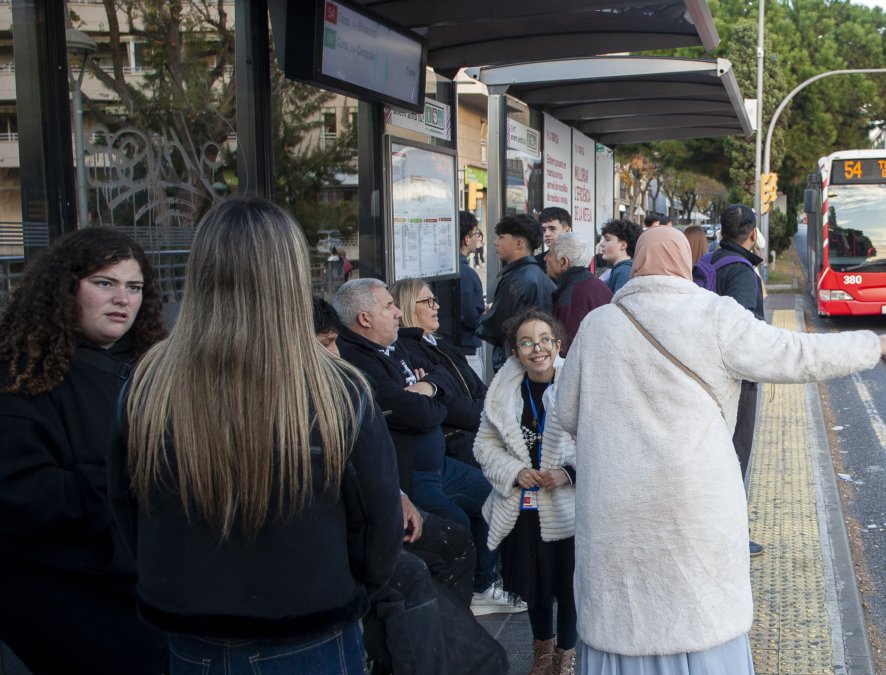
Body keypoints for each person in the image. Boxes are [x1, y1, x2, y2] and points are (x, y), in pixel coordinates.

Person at [557, 227, 886, 673]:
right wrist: (871, 345)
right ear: (684, 263)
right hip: (695, 506)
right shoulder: (715, 316)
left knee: (623, 617)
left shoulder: (598, 325)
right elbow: (796, 353)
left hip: (616, 512)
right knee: (699, 612)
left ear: (637, 263)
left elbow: (566, 413)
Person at [110, 196, 403, 673]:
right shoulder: (338, 390)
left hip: (192, 633)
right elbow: (377, 525)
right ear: (290, 276)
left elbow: (127, 510)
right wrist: (345, 590)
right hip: (308, 631)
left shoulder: (147, 383)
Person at [0, 227, 168, 674]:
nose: (122, 299)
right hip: (75, 599)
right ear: (64, 286)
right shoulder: (21, 376)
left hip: (159, 588)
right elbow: (21, 493)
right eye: (104, 283)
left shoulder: (156, 366)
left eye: (134, 287)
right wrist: (129, 479)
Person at [335, 278, 519, 617]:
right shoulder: (358, 359)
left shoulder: (394, 345)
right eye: (389, 307)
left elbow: (441, 377)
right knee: (455, 533)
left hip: (440, 465)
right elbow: (414, 413)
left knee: (500, 497)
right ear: (364, 318)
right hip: (409, 475)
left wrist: (428, 388)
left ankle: (481, 588)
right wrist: (430, 398)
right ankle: (448, 621)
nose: (396, 314)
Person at [474, 308, 577, 675]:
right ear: (515, 351)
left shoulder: (575, 383)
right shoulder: (504, 390)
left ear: (558, 344)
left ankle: (566, 656)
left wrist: (568, 472)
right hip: (524, 505)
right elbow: (485, 444)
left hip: (568, 508)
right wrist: (515, 471)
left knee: (568, 588)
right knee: (534, 586)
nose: (538, 349)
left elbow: (600, 439)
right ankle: (542, 653)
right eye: (527, 342)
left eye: (545, 340)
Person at [713, 204, 767, 557]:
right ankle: (731, 537)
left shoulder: (710, 262)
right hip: (736, 380)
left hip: (707, 376)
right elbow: (741, 329)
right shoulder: (742, 271)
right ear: (751, 234)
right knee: (735, 457)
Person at [389, 279, 488, 468]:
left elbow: (476, 387)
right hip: (457, 444)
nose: (437, 306)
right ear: (407, 306)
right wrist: (487, 414)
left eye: (434, 300)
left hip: (480, 429)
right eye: (428, 301)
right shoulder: (406, 350)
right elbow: (445, 402)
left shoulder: (443, 345)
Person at [478, 214, 556, 372]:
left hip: (516, 362)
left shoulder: (516, 280)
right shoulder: (540, 275)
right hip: (538, 359)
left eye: (501, 237)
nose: (495, 243)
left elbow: (494, 328)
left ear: (519, 244)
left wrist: (486, 316)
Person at [545, 231, 612, 354]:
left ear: (563, 262)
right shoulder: (598, 285)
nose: (545, 259)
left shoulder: (571, 297)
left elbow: (566, 351)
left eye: (549, 254)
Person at [459, 211, 486, 376]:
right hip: (466, 353)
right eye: (477, 233)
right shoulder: (467, 274)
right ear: (466, 239)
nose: (479, 238)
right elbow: (472, 318)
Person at [599, 218, 640, 294]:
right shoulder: (624, 269)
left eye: (607, 240)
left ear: (623, 245)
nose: (602, 244)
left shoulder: (623, 272)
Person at [536, 207, 572, 272]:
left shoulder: (578, 260)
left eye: (552, 229)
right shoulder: (536, 262)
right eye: (543, 230)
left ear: (567, 230)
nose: (546, 234)